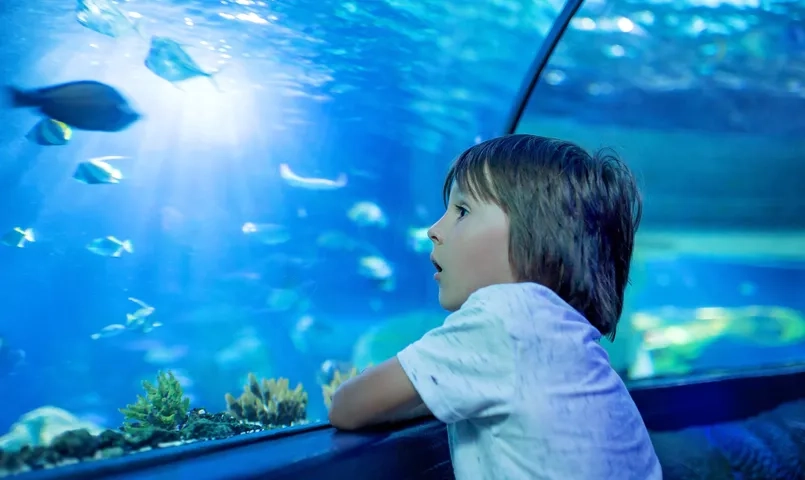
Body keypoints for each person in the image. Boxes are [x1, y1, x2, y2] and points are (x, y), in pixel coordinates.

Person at [328, 134, 662, 479]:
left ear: (537, 239)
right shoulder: (570, 342)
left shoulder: (506, 313)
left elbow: (348, 407)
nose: (433, 230)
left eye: (462, 210)